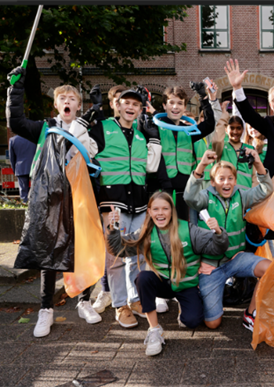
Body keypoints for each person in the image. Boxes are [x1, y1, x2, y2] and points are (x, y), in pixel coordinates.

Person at [6, 66, 102, 337]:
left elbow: (97, 151)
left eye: (72, 99)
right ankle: (45, 310)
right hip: (51, 201)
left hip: (81, 198)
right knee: (49, 253)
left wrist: (97, 114)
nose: (67, 102)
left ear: (78, 105)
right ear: (56, 105)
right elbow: (16, 122)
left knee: (81, 249)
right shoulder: (45, 129)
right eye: (63, 98)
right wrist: (15, 90)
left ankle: (84, 301)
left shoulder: (86, 127)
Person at [105, 192, 229, 356]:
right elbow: (118, 249)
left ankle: (182, 307)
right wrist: (113, 228)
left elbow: (217, 248)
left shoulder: (189, 230)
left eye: (165, 208)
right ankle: (154, 330)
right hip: (162, 283)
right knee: (143, 278)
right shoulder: (145, 233)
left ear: (172, 211)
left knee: (192, 321)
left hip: (185, 285)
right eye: (156, 209)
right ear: (149, 212)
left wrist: (219, 232)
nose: (160, 213)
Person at [88, 88, 162, 329]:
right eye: (126, 103)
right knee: (116, 255)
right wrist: (88, 117)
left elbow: (151, 167)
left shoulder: (141, 136)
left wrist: (154, 138)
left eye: (135, 104)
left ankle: (137, 298)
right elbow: (85, 150)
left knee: (139, 254)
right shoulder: (103, 128)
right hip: (114, 205)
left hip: (139, 204)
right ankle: (120, 305)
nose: (131, 107)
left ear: (140, 110)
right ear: (117, 106)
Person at [184, 149, 273, 331]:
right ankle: (199, 295)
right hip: (211, 267)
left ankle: (250, 314)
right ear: (213, 182)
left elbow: (266, 189)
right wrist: (201, 165)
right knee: (213, 323)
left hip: (235, 259)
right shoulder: (205, 197)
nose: (226, 182)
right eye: (221, 179)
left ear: (235, 180)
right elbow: (189, 197)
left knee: (271, 269)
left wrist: (257, 162)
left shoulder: (242, 195)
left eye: (230, 178)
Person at [92, 84, 129, 316]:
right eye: (116, 100)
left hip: (132, 197)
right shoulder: (104, 127)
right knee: (111, 248)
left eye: (123, 100)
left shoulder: (136, 128)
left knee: (132, 248)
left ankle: (132, 296)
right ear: (112, 103)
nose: (120, 104)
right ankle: (108, 292)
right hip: (109, 197)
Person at [154, 84, 216, 218]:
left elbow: (210, 124)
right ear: (164, 105)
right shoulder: (156, 129)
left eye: (180, 103)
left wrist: (203, 98)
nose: (175, 107)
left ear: (184, 107)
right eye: (171, 103)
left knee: (183, 227)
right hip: (163, 187)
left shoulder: (189, 131)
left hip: (185, 188)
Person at [8, 134, 36, 202]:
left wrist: (15, 170)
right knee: (35, 189)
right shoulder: (34, 139)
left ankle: (25, 204)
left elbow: (12, 158)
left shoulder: (13, 140)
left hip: (20, 167)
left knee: (23, 191)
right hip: (34, 167)